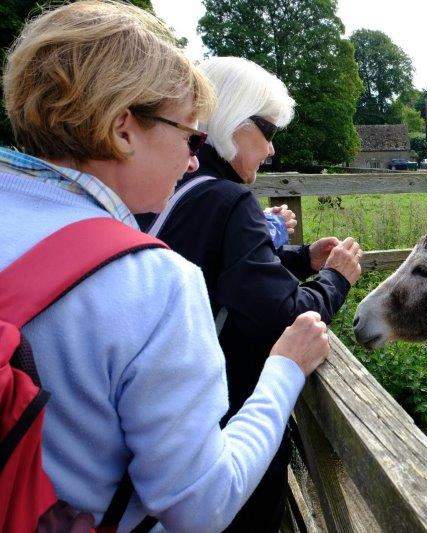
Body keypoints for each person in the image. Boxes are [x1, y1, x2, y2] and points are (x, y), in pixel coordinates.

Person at [0, 2, 329, 530]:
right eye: (189, 136)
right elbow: (198, 506)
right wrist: (285, 371)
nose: (194, 158)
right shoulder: (153, 283)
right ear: (123, 129)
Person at [135, 56, 362, 531]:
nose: (273, 150)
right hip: (226, 421)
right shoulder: (230, 199)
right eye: (270, 131)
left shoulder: (182, 187)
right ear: (237, 123)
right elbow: (287, 315)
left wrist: (300, 259)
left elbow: (223, 270)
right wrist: (337, 278)